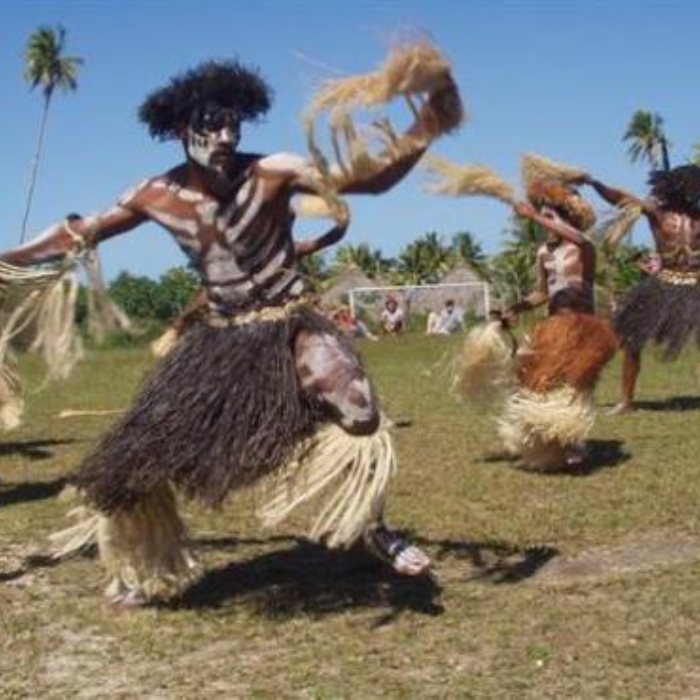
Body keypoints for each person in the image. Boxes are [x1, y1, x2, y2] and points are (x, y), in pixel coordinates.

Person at [3, 54, 462, 605]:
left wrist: (428, 121)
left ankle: (373, 527)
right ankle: (149, 565)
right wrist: (7, 259)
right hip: (219, 341)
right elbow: (81, 233)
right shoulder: (155, 194)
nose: (224, 137)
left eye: (233, 126)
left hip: (289, 323)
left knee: (355, 402)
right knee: (131, 462)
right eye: (210, 126)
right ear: (180, 130)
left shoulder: (273, 172)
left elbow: (370, 178)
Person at [498, 178, 617, 469]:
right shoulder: (544, 252)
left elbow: (576, 237)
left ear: (565, 217)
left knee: (576, 384)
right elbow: (543, 292)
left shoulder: (583, 246)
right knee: (537, 379)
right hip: (554, 326)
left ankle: (574, 441)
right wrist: (517, 307)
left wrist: (534, 215)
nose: (546, 222)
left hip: (583, 326)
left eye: (551, 215)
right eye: (544, 216)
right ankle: (548, 442)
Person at [580, 166, 700, 412]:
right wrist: (594, 183)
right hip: (662, 285)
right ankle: (626, 401)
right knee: (632, 340)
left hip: (696, 283)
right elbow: (621, 199)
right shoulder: (657, 213)